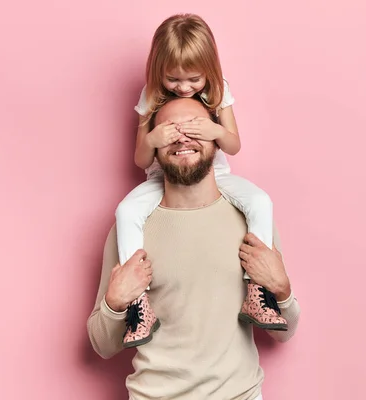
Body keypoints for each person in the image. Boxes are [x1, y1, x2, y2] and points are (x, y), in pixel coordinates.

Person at [87, 96, 301, 400]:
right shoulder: (130, 230)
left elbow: (285, 333)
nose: (182, 137)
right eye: (170, 130)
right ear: (154, 148)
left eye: (195, 127)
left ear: (216, 136)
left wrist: (282, 289)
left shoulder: (252, 221)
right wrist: (115, 302)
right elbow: (102, 346)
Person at [115, 13, 287, 348]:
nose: (183, 87)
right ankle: (139, 303)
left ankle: (257, 290)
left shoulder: (219, 91)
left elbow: (233, 146)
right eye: (173, 79)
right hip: (161, 179)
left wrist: (215, 131)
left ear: (209, 69)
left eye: (193, 79)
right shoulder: (150, 96)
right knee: (126, 213)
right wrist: (152, 139)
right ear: (157, 72)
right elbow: (139, 160)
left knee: (260, 202)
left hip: (215, 175)